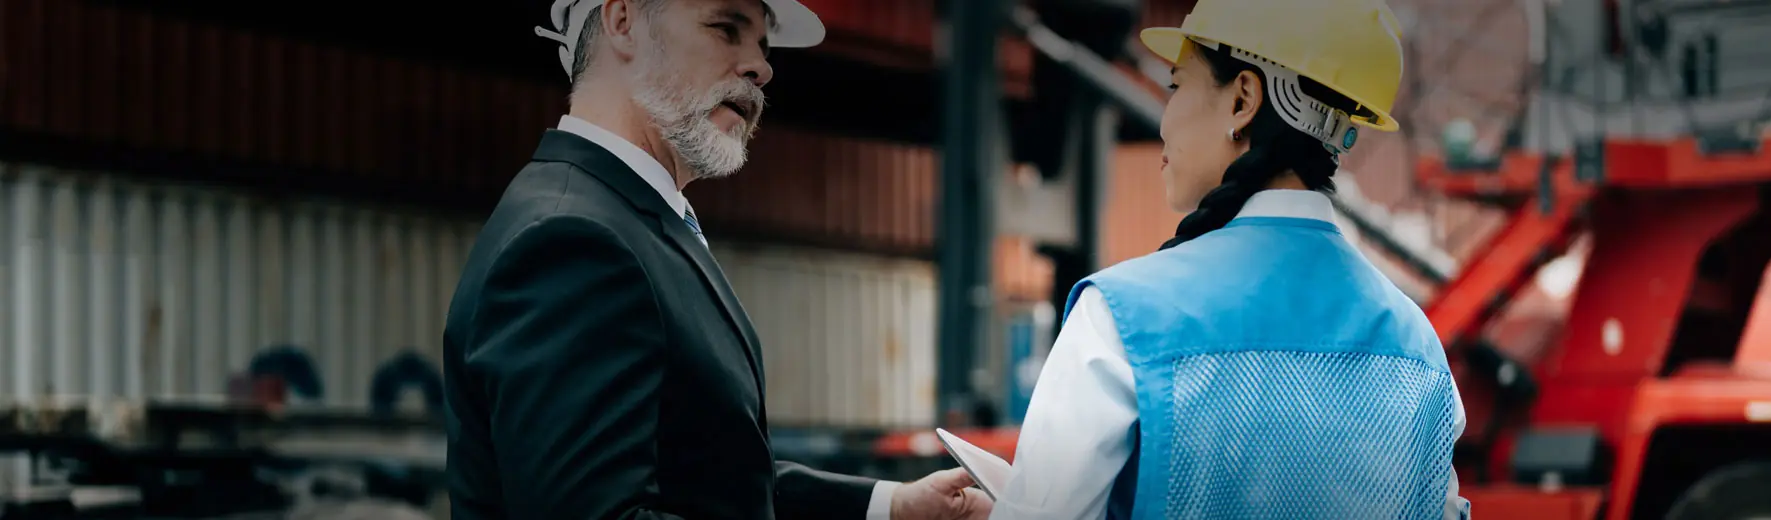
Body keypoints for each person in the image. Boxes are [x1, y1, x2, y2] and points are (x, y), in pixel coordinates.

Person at [440, 1, 991, 518]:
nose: (760, 68)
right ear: (623, 20)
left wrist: (892, 505)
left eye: (763, 46)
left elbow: (714, 479)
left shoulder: (631, 224)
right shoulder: (573, 240)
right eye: (725, 27)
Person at [987, 1, 1470, 519]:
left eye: (1177, 85)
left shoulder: (1123, 318)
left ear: (1243, 100)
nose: (1164, 120)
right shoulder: (1418, 350)